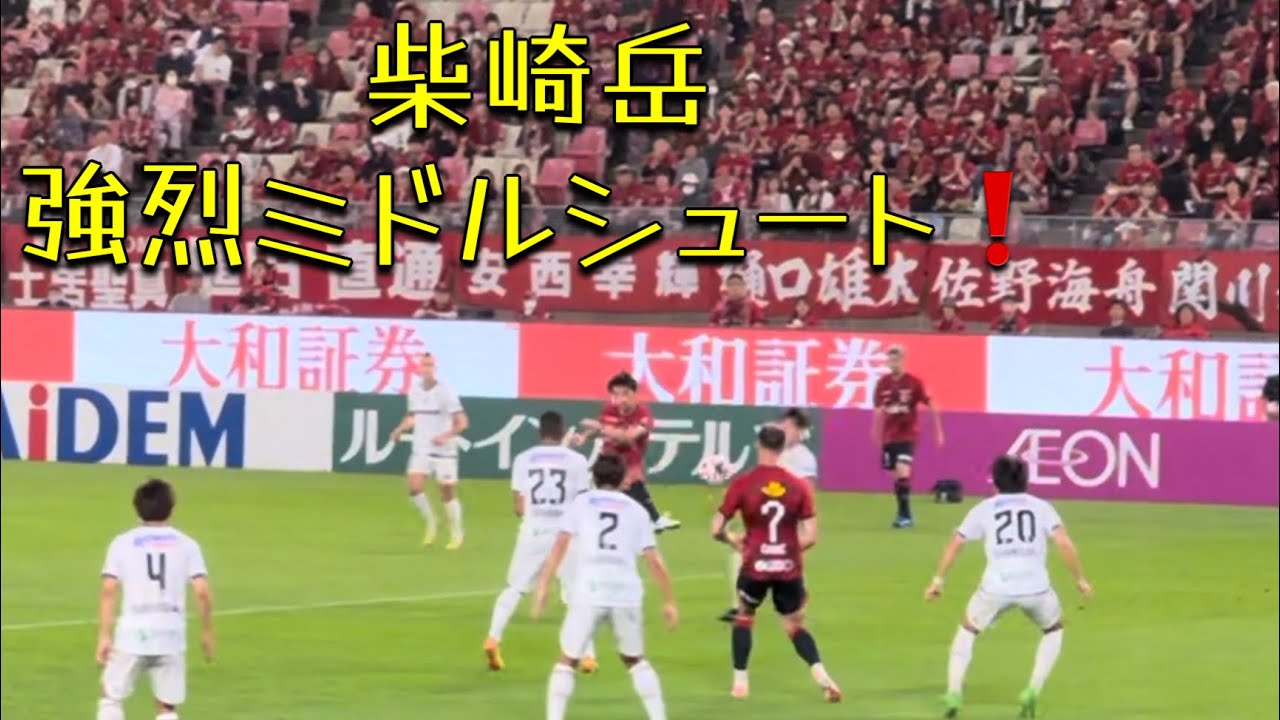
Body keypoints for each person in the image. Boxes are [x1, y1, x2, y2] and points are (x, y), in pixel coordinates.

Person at [925, 456, 1093, 719]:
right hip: (1036, 588)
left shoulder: (984, 509)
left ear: (995, 481)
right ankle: (1033, 690)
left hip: (996, 587)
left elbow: (956, 543)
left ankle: (954, 692)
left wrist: (938, 581)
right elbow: (1063, 543)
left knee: (968, 630)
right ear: (1026, 480)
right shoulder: (1042, 507)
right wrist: (1080, 580)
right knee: (1053, 629)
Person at [531, 455, 678, 720]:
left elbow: (560, 544)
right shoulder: (637, 510)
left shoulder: (581, 503)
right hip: (626, 592)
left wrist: (543, 585)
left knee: (567, 660)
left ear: (594, 478)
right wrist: (668, 600)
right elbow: (654, 560)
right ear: (623, 479)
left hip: (590, 590)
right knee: (635, 660)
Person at [711, 425, 842, 702]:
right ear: (783, 449)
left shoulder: (743, 484)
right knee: (794, 625)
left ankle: (740, 684)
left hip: (755, 566)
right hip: (788, 568)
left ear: (758, 446)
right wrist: (786, 551)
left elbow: (716, 529)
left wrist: (736, 541)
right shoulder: (799, 486)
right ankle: (823, 678)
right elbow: (811, 536)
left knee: (744, 616)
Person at [484, 411, 597, 673]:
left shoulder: (523, 459)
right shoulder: (577, 461)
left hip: (533, 531)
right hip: (566, 533)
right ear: (563, 432)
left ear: (540, 432)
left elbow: (519, 506)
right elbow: (583, 503)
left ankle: (493, 637)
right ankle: (587, 655)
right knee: (576, 594)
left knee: (514, 587)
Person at [95, 479, 215, 720]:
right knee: (167, 706)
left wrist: (104, 636)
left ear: (137, 508)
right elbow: (202, 591)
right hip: (171, 634)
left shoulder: (122, 543)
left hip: (132, 634)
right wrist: (207, 632)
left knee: (110, 695)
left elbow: (109, 589)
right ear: (172, 508)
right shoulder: (187, 544)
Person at [720, 408, 818, 623]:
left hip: (789, 520)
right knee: (743, 554)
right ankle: (740, 604)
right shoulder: (778, 455)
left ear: (800, 430)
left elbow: (807, 492)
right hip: (769, 517)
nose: (785, 429)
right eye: (784, 425)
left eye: (790, 426)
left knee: (789, 563)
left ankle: (795, 604)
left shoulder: (803, 458)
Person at [575, 372, 681, 532]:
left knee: (632, 484)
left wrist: (601, 428)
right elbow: (601, 428)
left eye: (625, 394)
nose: (621, 399)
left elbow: (628, 437)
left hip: (631, 458)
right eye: (616, 395)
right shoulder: (609, 410)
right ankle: (653, 520)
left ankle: (652, 520)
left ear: (634, 394)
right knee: (618, 492)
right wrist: (585, 436)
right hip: (608, 460)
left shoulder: (643, 414)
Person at [390, 353, 469, 549]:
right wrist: (400, 429)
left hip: (444, 451)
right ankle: (432, 522)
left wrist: (445, 436)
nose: (426, 368)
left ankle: (456, 532)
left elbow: (462, 422)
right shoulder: (414, 390)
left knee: (447, 493)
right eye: (424, 365)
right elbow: (412, 416)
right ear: (419, 368)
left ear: (435, 368)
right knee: (414, 488)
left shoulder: (445, 391)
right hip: (421, 448)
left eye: (430, 365)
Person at [872, 346, 944, 528]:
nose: (893, 363)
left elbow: (930, 403)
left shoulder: (913, 383)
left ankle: (905, 516)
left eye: (896, 359)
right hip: (889, 436)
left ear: (903, 360)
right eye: (890, 360)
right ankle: (905, 512)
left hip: (907, 434)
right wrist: (875, 429)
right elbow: (878, 409)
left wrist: (939, 431)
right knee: (895, 474)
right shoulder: (882, 383)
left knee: (902, 469)